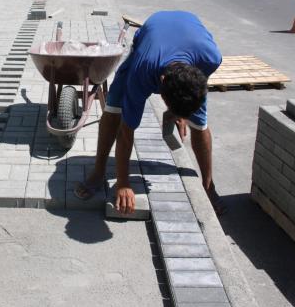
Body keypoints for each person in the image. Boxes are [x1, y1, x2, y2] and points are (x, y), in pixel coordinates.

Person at [74, 11, 225, 215]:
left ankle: (209, 185)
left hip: (190, 33)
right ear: (160, 83)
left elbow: (197, 90)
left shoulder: (212, 59)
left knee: (200, 123)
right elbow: (126, 134)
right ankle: (99, 170)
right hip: (151, 34)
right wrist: (123, 183)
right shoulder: (143, 70)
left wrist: (180, 112)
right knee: (113, 108)